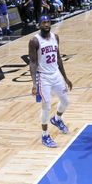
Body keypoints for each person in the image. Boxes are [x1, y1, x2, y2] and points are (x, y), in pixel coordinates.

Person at [28, 15, 72, 148]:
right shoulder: (34, 41)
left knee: (66, 101)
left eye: (48, 22)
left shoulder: (55, 37)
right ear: (39, 25)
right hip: (43, 77)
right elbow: (33, 63)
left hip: (56, 75)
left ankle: (57, 119)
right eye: (44, 23)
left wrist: (65, 77)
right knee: (46, 106)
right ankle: (45, 135)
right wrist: (34, 84)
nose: (46, 24)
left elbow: (58, 58)